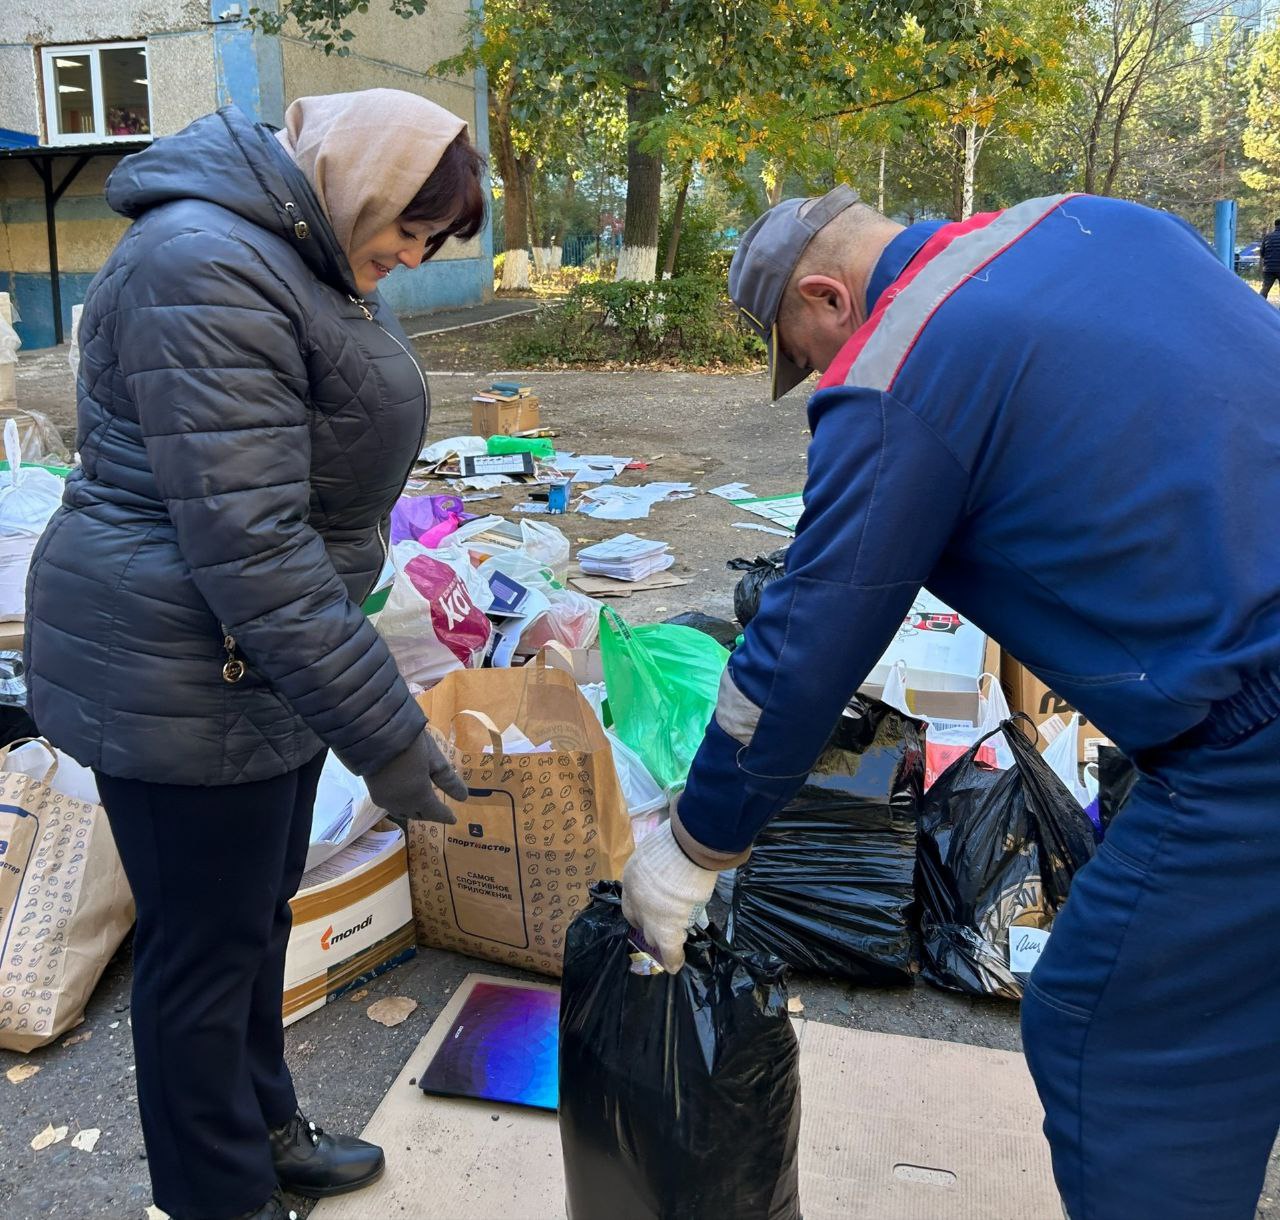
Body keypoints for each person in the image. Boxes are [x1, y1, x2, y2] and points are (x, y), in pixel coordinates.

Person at [621, 187, 1280, 1220]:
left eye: (804, 349)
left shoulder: (898, 364)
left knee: (1104, 1031)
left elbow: (804, 646)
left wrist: (691, 846)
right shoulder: (1094, 219)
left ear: (825, 295)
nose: (820, 377)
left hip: (1252, 737)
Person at [25, 89, 481, 1220]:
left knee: (252, 915)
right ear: (357, 180)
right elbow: (251, 541)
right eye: (409, 231)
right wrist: (385, 727)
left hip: (254, 658)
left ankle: (264, 1126)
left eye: (429, 244)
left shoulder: (290, 247)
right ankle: (218, 1193)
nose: (408, 259)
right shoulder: (201, 261)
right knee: (199, 952)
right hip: (178, 663)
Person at [1261, 217, 1280, 299]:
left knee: (1265, 288)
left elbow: (1262, 253)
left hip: (1268, 268)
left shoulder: (1267, 237)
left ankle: (1260, 306)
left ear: (1275, 226)